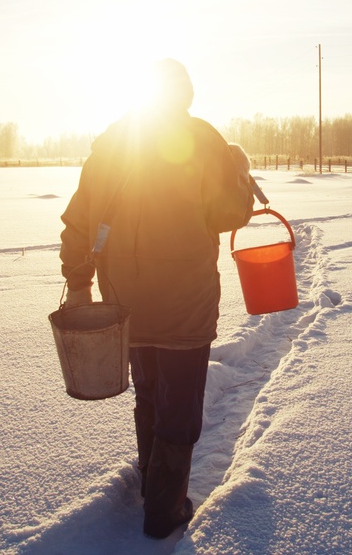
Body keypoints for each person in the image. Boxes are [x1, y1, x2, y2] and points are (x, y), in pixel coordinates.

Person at [58, 58, 254, 539]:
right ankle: (164, 511)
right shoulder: (203, 140)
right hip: (185, 302)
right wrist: (240, 172)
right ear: (184, 92)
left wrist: (80, 283)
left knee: (148, 393)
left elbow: (77, 224)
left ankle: (152, 484)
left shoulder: (111, 145)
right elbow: (230, 214)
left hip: (124, 304)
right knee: (181, 406)